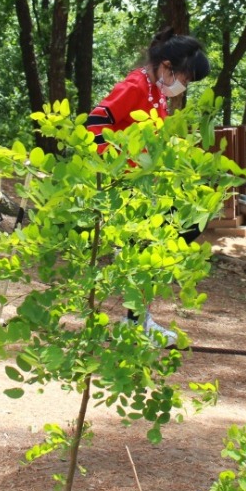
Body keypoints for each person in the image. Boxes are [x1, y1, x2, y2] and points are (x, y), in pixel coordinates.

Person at [84, 27, 211, 346]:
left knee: (189, 225)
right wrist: (115, 166)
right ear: (167, 66)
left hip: (149, 186)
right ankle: (136, 321)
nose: (183, 85)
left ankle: (138, 319)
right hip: (126, 187)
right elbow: (94, 124)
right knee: (157, 243)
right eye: (184, 76)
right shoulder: (136, 85)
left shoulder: (157, 93)